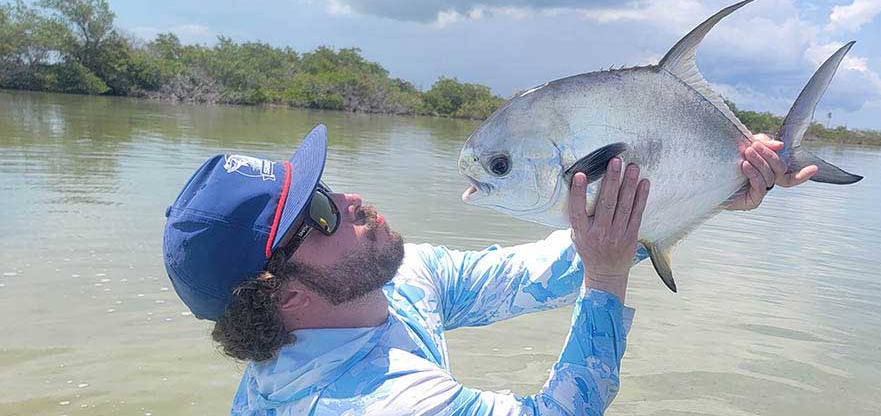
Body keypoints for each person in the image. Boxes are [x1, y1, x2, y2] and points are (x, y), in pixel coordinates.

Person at [162, 124, 815, 415]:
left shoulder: (399, 276)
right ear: (289, 298)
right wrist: (607, 283)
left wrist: (702, 194)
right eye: (323, 212)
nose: (352, 199)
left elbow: (547, 265)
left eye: (326, 184)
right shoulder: (367, 404)